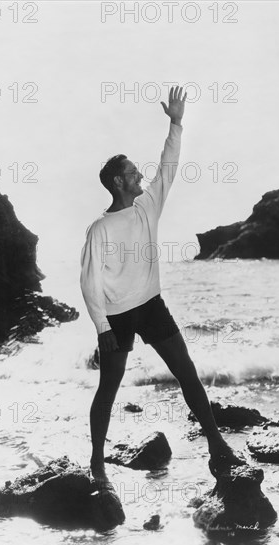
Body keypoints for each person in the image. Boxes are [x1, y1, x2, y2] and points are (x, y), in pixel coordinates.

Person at [80, 86, 244, 483]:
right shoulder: (99, 228)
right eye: (133, 172)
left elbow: (167, 165)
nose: (141, 176)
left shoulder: (147, 205)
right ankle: (97, 462)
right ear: (119, 181)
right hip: (116, 315)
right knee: (108, 388)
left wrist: (176, 123)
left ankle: (216, 443)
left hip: (151, 305)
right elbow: (89, 281)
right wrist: (102, 329)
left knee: (186, 371)